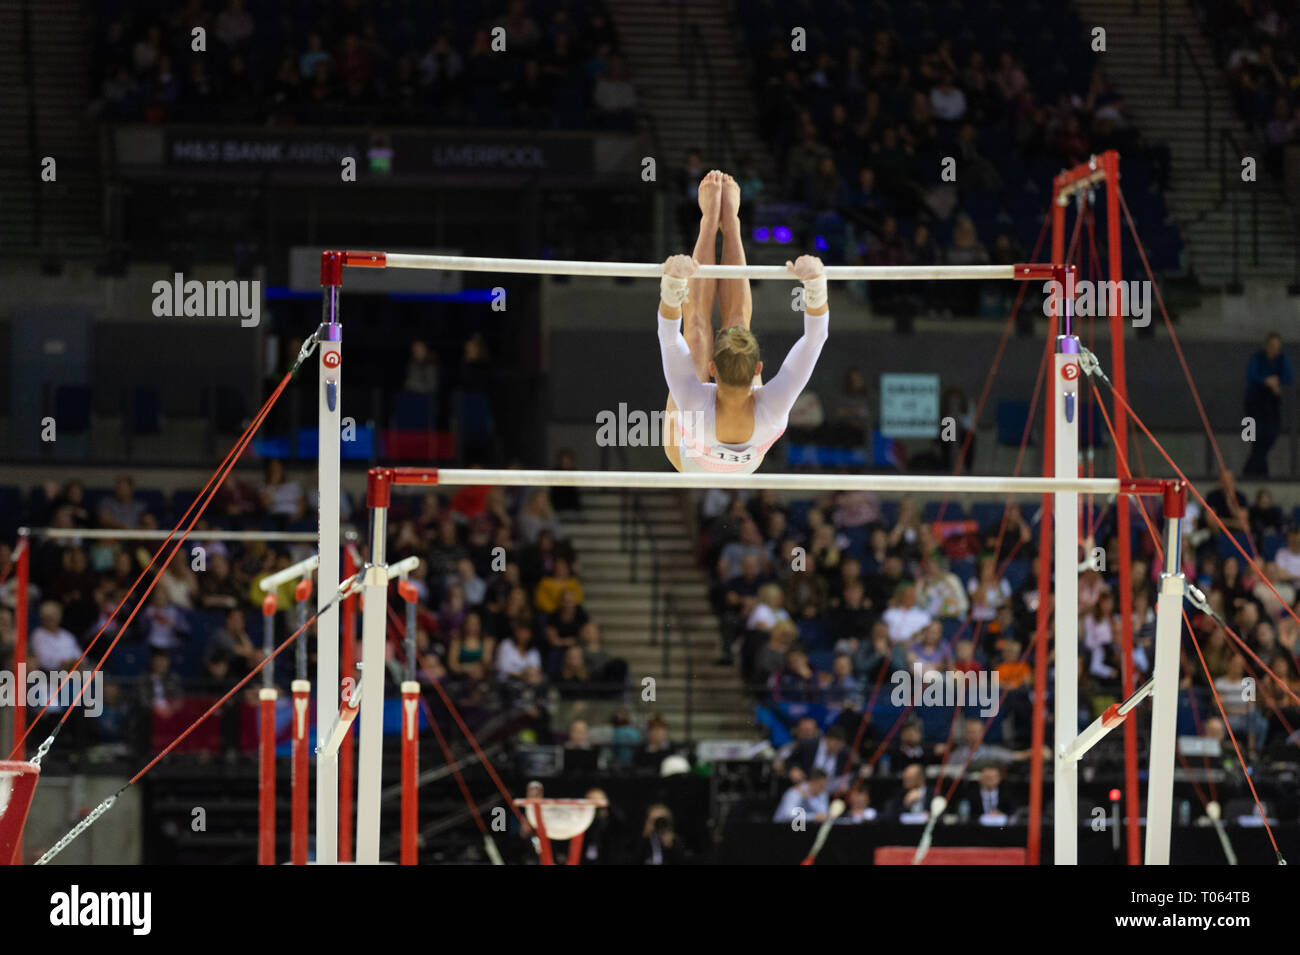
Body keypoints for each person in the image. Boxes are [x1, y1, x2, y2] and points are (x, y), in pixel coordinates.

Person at [658, 170, 830, 473]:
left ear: (713, 369)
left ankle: (709, 220)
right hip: (745, 458)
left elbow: (670, 337)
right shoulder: (772, 408)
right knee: (731, 326)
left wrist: (673, 284)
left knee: (696, 333)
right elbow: (814, 340)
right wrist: (815, 282)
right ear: (758, 369)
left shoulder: (694, 402)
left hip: (688, 457)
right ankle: (732, 225)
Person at [1243, 331, 1293, 477]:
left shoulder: (1281, 359)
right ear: (1266, 346)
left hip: (1272, 404)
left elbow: (1288, 377)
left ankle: (1251, 470)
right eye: (1272, 346)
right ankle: (1260, 471)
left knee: (1271, 435)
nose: (1274, 350)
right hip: (1254, 404)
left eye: (1277, 347)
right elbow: (1252, 376)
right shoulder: (1257, 358)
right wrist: (1267, 381)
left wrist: (1276, 381)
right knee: (1253, 437)